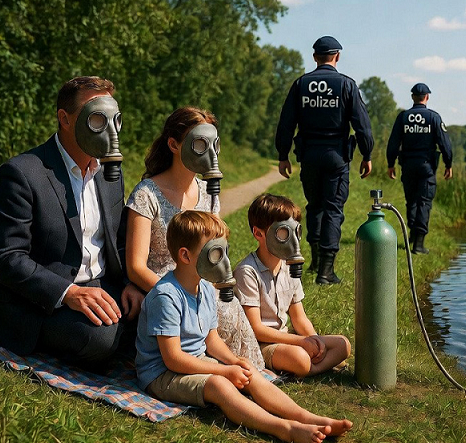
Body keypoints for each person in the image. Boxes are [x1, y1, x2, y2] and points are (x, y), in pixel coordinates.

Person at [136, 210, 352, 443]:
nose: (225, 262)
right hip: (161, 375)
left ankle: (308, 417)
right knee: (219, 385)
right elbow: (173, 358)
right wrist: (224, 371)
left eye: (224, 252)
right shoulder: (166, 296)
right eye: (215, 253)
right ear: (186, 256)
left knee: (248, 369)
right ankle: (283, 428)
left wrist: (233, 361)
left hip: (195, 360)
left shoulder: (206, 288)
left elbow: (212, 340)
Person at [0, 76, 144, 368]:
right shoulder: (21, 173)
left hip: (99, 285)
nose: (108, 129)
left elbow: (116, 240)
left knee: (159, 316)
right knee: (101, 338)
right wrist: (68, 293)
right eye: (97, 118)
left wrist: (129, 284)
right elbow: (6, 258)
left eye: (114, 119)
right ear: (65, 119)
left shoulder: (110, 173)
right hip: (39, 300)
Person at [125, 106, 265, 370]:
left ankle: (249, 373)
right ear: (174, 145)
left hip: (204, 290)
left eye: (214, 144)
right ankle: (235, 376)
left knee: (230, 305)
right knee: (223, 312)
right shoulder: (147, 194)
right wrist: (183, 297)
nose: (210, 152)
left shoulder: (208, 193)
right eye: (200, 143)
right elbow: (135, 267)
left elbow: (217, 252)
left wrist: (210, 293)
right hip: (167, 292)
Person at [275, 35, 374, 284]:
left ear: (314, 57)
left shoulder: (301, 84)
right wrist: (367, 154)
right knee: (333, 209)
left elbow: (286, 123)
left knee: (314, 206)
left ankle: (316, 262)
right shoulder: (346, 85)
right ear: (337, 56)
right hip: (336, 157)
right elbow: (362, 125)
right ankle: (326, 271)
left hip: (308, 156)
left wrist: (283, 155)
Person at [234, 194, 351, 377]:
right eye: (283, 232)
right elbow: (256, 329)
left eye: (295, 231)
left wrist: (315, 342)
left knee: (343, 344)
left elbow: (299, 318)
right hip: (262, 344)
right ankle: (310, 368)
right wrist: (301, 342)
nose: (292, 240)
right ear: (259, 234)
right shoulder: (247, 271)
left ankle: (311, 366)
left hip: (287, 338)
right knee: (300, 358)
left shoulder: (289, 267)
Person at [386, 82, 453, 254]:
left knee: (412, 201)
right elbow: (444, 143)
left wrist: (390, 164)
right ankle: (419, 244)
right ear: (427, 97)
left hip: (408, 166)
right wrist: (448, 164)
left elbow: (393, 142)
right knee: (424, 202)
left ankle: (413, 237)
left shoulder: (403, 117)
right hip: (426, 167)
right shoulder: (433, 117)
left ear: (412, 97)